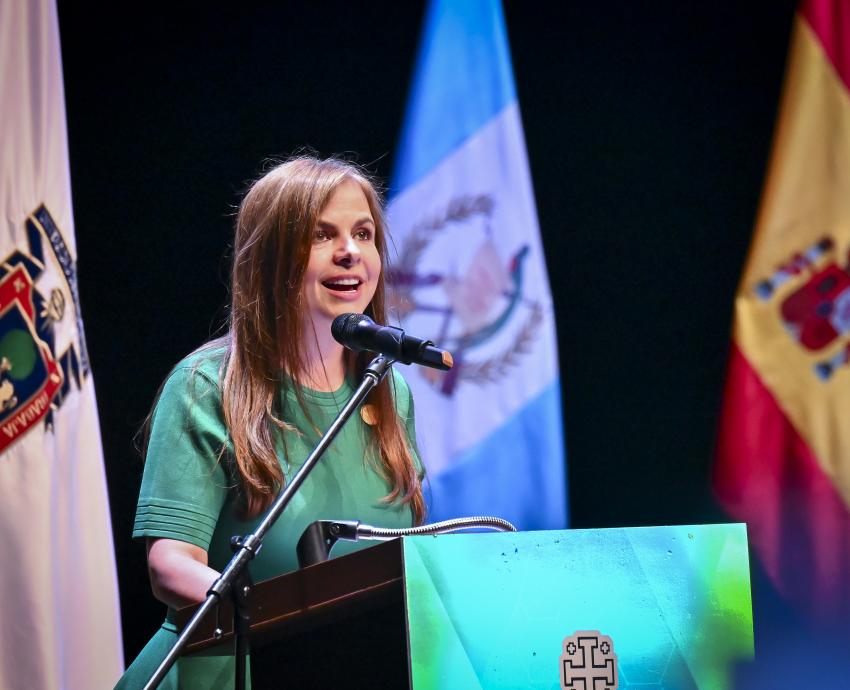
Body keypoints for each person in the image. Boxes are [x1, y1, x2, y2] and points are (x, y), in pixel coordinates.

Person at [115, 156, 425, 689]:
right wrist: (277, 619)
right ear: (272, 258)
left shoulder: (387, 388)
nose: (350, 251)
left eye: (363, 233)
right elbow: (170, 564)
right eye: (321, 235)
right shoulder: (207, 385)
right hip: (224, 669)